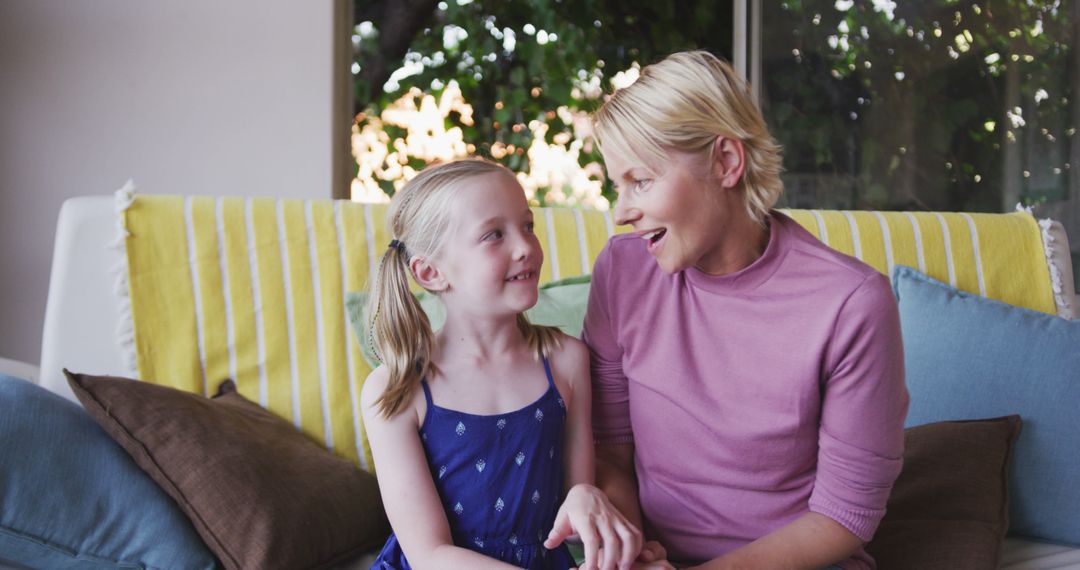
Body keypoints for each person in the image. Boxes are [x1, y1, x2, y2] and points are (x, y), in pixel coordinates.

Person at [566, 51, 909, 569]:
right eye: (618, 185)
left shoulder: (851, 303)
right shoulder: (622, 271)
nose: (622, 213)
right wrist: (629, 552)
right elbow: (611, 450)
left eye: (641, 181)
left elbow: (844, 517)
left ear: (726, 162)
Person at [361, 159, 643, 570]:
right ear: (430, 272)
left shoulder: (565, 361)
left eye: (527, 225)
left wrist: (586, 496)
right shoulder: (396, 389)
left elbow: (575, 498)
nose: (525, 246)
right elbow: (429, 554)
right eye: (494, 234)